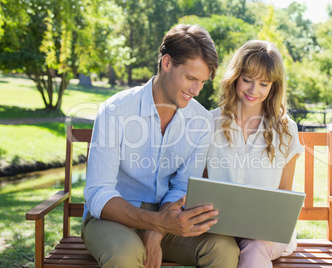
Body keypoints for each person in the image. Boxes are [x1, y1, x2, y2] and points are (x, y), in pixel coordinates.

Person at [82, 24, 240, 268]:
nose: (196, 90)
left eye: (202, 82)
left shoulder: (201, 122)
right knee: (125, 255)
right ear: (167, 63)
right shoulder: (116, 110)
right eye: (190, 78)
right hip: (113, 219)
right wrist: (156, 222)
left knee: (223, 249)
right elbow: (98, 192)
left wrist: (157, 230)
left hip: (168, 219)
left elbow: (181, 186)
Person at [206, 40, 304, 268]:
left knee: (255, 246)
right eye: (247, 80)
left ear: (274, 87)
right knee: (223, 249)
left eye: (263, 84)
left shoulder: (286, 129)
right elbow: (201, 185)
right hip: (220, 229)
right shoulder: (209, 122)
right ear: (235, 77)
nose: (253, 90)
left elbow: (283, 196)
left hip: (267, 233)